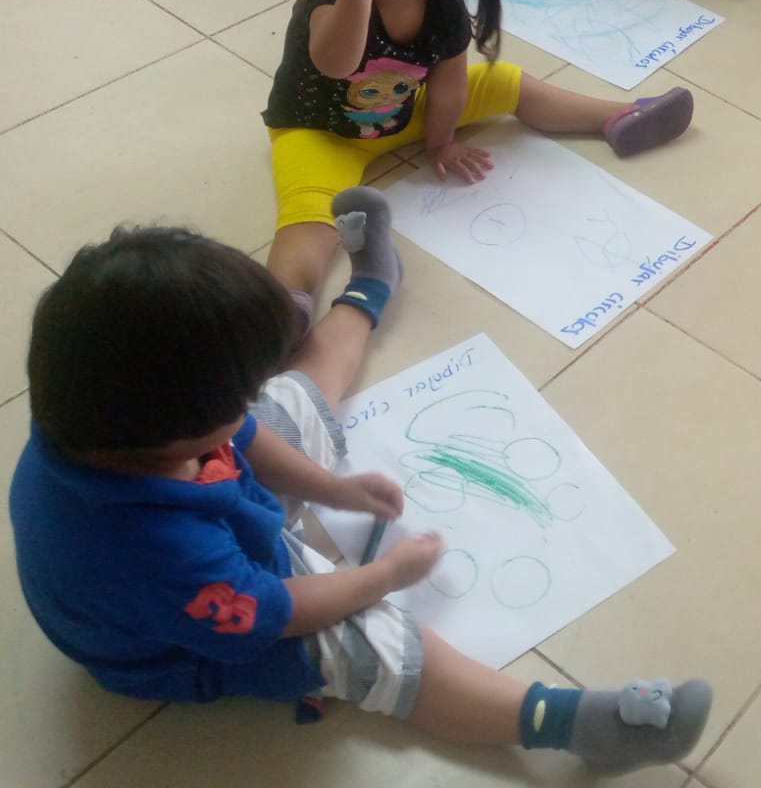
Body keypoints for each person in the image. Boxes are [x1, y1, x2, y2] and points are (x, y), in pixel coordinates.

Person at [9, 201, 711, 776]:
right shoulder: (153, 550)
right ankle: (576, 725)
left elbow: (243, 432)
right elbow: (274, 611)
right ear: (178, 430)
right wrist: (384, 576)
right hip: (199, 636)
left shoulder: (108, 415)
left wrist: (333, 491)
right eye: (233, 396)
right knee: (375, 647)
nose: (243, 404)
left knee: (290, 401)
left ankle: (370, 286)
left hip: (207, 533)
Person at [261, 0, 694, 317]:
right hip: (318, 131)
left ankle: (617, 116)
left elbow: (449, 86)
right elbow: (334, 64)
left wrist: (441, 142)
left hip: (403, 111)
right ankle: (286, 305)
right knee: (311, 217)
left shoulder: (445, 8)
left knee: (503, 80)